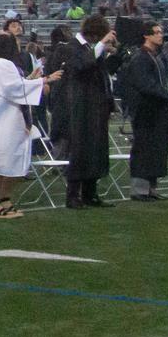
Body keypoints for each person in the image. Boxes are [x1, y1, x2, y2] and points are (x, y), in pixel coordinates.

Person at [0, 32, 59, 218]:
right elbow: (12, 88)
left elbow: (18, 85)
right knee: (1, 161)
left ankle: (6, 198)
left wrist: (31, 79)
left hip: (14, 118)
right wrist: (44, 80)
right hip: (3, 120)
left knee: (15, 161)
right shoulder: (2, 64)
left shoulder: (8, 65)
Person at [60, 15, 121, 209]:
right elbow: (82, 65)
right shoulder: (71, 47)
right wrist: (101, 45)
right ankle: (72, 195)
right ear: (94, 34)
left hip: (97, 106)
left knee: (96, 150)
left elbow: (104, 73)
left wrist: (115, 53)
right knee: (80, 150)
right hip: (80, 106)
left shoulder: (92, 49)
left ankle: (90, 193)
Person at [121, 18, 168, 201]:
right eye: (156, 33)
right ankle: (139, 190)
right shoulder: (140, 58)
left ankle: (151, 188)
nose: (160, 35)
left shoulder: (157, 57)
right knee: (144, 149)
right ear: (146, 36)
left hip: (158, 111)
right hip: (145, 112)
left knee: (157, 149)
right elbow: (146, 85)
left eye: (160, 32)